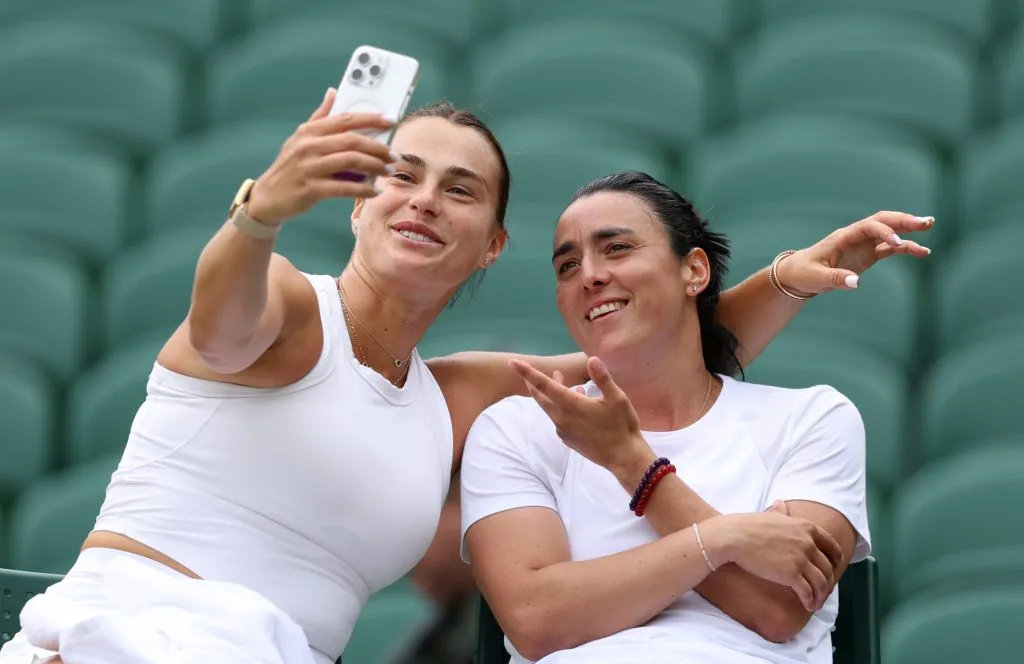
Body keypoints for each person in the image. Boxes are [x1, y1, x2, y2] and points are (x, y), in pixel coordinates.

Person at [0, 87, 931, 664]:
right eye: (401, 176)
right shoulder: (282, 300)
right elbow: (220, 323)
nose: (424, 201)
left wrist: (785, 277)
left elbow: (654, 347)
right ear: (360, 205)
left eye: (460, 189)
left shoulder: (454, 395)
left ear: (491, 245)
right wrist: (257, 214)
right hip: (132, 640)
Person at [460, 171, 908, 664]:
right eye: (567, 266)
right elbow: (537, 621)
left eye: (617, 249)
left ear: (694, 270)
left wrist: (633, 464)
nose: (588, 275)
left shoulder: (811, 418)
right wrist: (725, 537)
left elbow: (779, 607)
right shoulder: (515, 429)